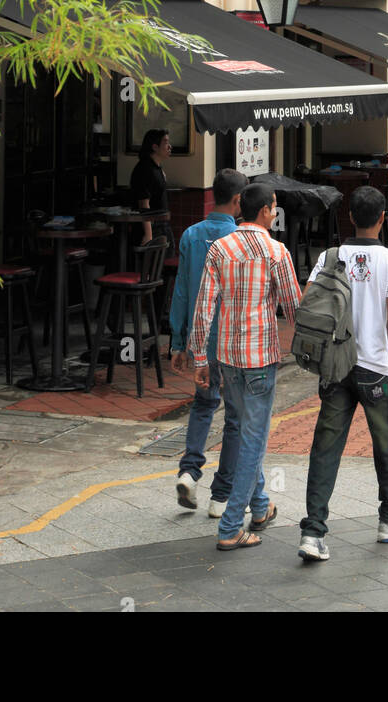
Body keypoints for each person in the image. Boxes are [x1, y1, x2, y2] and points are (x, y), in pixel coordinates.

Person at [298, 185, 388, 563]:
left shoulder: (329, 256)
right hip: (374, 370)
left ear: (350, 216)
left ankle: (313, 532)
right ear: (384, 218)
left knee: (326, 447)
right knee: (385, 444)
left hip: (335, 367)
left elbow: (311, 303)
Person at [189, 182, 301, 550]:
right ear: (267, 211)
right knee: (254, 440)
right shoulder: (276, 251)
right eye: (273, 207)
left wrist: (200, 359)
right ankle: (231, 526)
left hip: (227, 357)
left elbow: (204, 308)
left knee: (244, 430)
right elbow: (294, 307)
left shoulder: (220, 248)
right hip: (260, 358)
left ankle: (261, 506)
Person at [170, 168, 247, 516]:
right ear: (237, 200)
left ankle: (189, 470)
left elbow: (182, 291)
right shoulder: (241, 242)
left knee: (202, 405)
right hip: (231, 342)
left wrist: (178, 340)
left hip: (200, 341)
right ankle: (221, 495)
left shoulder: (190, 235)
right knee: (234, 416)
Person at [129, 128, 171, 246]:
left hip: (161, 224)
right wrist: (148, 235)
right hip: (151, 227)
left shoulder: (157, 168)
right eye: (166, 142)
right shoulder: (145, 169)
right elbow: (143, 204)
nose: (169, 146)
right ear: (155, 147)